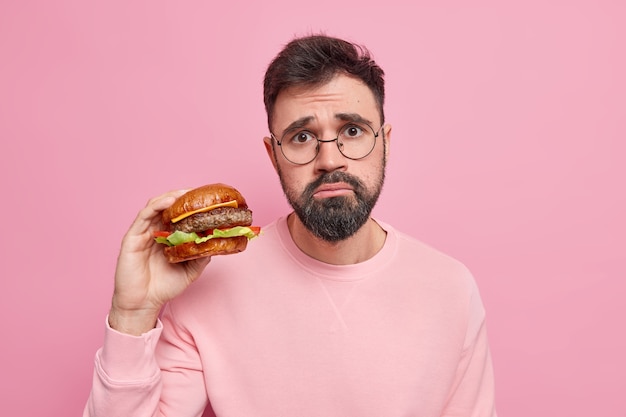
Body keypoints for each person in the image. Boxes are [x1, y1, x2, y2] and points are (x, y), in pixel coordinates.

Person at [84, 34, 497, 417]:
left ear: (385, 141)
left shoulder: (450, 288)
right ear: (273, 154)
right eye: (302, 137)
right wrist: (131, 315)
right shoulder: (210, 280)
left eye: (352, 131)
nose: (330, 160)